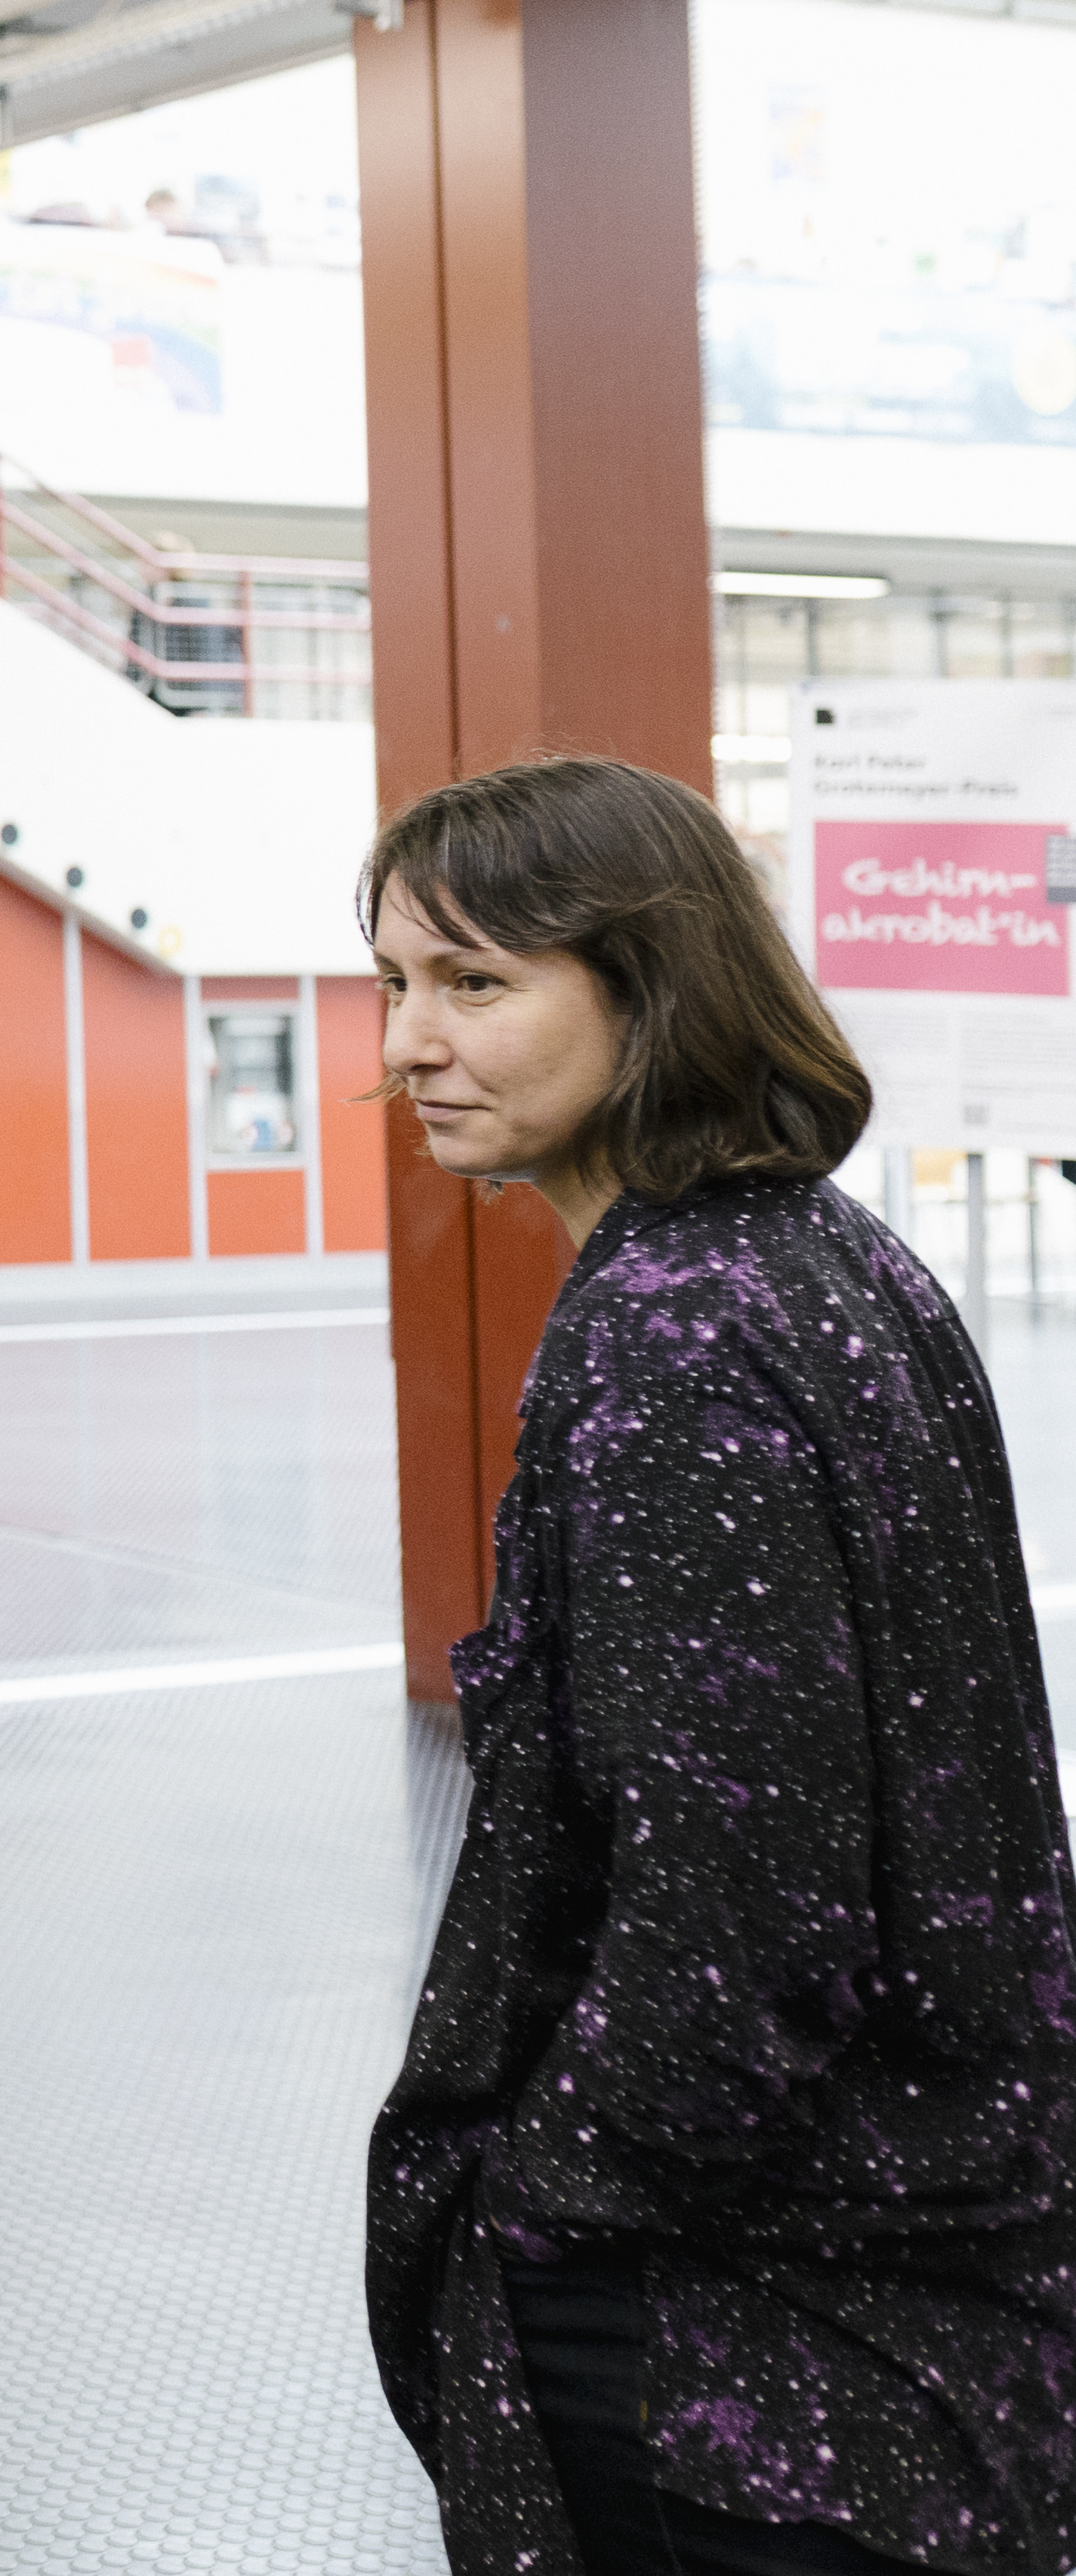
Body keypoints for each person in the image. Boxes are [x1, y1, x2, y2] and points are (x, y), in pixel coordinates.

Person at [361, 758, 1076, 2576]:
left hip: (742, 2321)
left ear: (647, 985)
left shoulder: (670, 1343)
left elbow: (744, 1896)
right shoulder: (828, 1264)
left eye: (473, 983)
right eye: (391, 986)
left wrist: (555, 2202)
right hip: (937, 2254)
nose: (406, 1047)